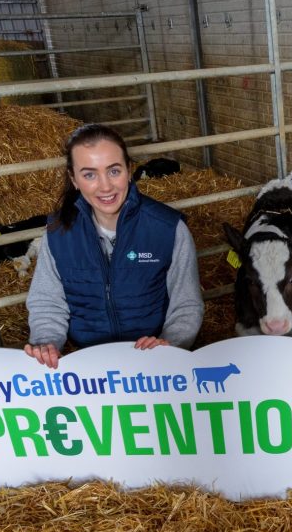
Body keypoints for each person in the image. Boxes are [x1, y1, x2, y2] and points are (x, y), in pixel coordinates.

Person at [25, 123, 203, 368]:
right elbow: (47, 302)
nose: (105, 186)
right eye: (89, 174)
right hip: (83, 362)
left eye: (114, 171)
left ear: (129, 170)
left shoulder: (169, 229)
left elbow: (186, 304)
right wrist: (47, 343)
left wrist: (170, 345)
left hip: (152, 363)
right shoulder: (58, 233)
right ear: (73, 179)